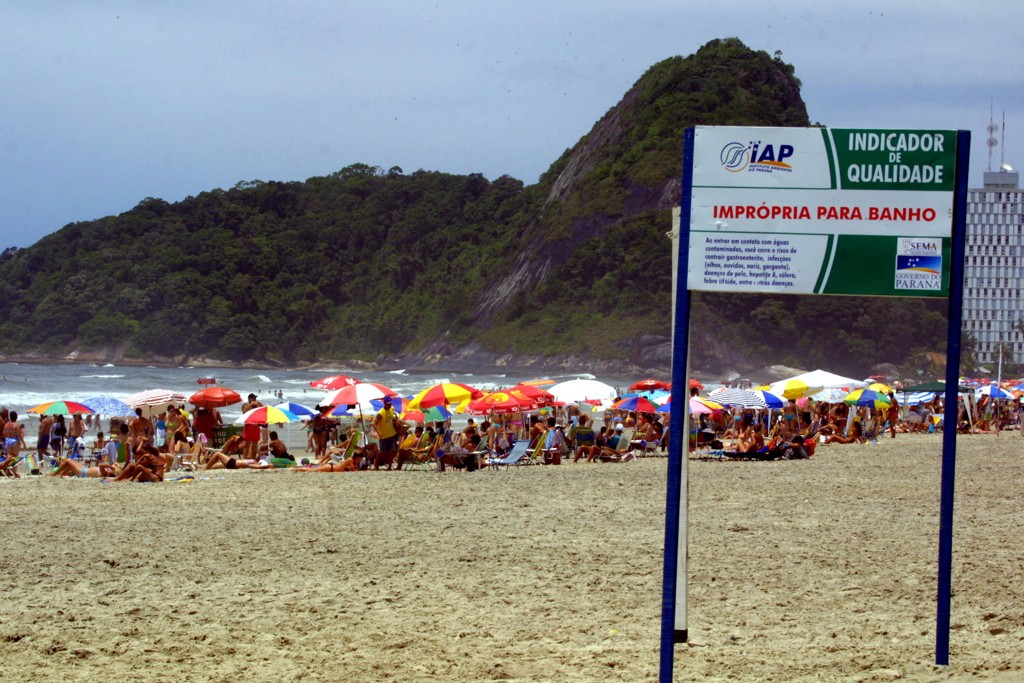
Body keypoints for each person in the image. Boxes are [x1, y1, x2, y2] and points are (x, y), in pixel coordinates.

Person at [371, 395, 400, 470]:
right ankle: (376, 463)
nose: (390, 405)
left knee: (391, 451)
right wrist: (378, 433)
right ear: (385, 403)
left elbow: (392, 418)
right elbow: (373, 423)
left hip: (392, 434)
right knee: (382, 452)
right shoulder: (381, 413)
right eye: (388, 403)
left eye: (390, 403)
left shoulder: (392, 409)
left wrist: (396, 421)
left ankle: (389, 466)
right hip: (383, 435)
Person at [49, 459, 120, 478]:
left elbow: (101, 465)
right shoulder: (108, 472)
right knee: (71, 461)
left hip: (83, 473)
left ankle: (53, 475)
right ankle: (61, 474)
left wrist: (111, 467)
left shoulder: (105, 474)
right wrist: (116, 466)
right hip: (84, 469)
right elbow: (115, 463)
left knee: (67, 461)